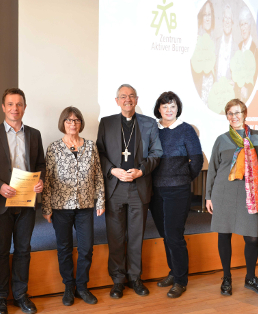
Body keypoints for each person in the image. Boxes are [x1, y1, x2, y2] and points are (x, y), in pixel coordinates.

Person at [0, 88, 45, 314]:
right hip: (1, 203)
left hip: (27, 202)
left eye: (19, 104)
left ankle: (20, 295)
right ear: (3, 107)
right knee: (1, 250)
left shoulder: (34, 134)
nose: (14, 108)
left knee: (24, 249)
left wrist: (40, 182)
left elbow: (40, 165)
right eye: (10, 104)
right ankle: (0, 297)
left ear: (24, 107)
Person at [96, 84, 162, 299]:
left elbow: (156, 152)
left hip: (138, 187)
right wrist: (113, 170)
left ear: (137, 99)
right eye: (123, 96)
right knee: (115, 236)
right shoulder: (106, 123)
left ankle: (134, 277)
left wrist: (140, 171)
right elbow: (100, 152)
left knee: (136, 236)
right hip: (115, 187)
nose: (128, 99)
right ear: (117, 100)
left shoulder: (149, 124)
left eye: (131, 96)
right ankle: (117, 280)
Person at [205, 99, 258, 297]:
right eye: (230, 113)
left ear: (245, 114)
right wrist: (208, 196)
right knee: (223, 235)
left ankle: (250, 278)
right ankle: (226, 277)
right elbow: (213, 170)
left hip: (250, 195)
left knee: (252, 238)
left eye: (238, 112)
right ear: (227, 116)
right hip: (223, 193)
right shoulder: (222, 139)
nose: (234, 116)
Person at [42, 107, 105, 306]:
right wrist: (46, 207)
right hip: (61, 206)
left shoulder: (90, 146)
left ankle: (82, 286)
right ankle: (69, 287)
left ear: (81, 123)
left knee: (86, 248)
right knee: (64, 248)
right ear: (63, 123)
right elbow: (48, 179)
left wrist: (100, 200)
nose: (72, 124)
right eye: (69, 120)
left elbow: (98, 175)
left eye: (76, 120)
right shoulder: (53, 148)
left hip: (85, 205)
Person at [150, 91, 203, 298]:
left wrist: (182, 178)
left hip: (178, 190)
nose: (169, 110)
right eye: (165, 107)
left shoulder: (186, 130)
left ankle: (181, 280)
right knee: (165, 235)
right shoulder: (153, 130)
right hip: (156, 190)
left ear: (177, 109)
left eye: (173, 106)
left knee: (174, 235)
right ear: (159, 109)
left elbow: (196, 160)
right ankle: (173, 272)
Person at [193, 0, 216, 105]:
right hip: (198, 92)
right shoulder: (194, 38)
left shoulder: (215, 39)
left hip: (213, 96)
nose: (207, 18)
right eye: (205, 15)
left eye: (209, 14)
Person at [235, 7, 258, 102]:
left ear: (249, 26)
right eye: (241, 24)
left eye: (245, 23)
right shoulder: (238, 47)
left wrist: (248, 89)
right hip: (236, 96)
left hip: (248, 99)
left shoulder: (255, 50)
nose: (243, 28)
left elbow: (256, 78)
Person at [215, 4, 237, 84]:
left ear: (232, 23)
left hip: (230, 93)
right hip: (215, 92)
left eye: (229, 19)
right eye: (225, 18)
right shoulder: (215, 44)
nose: (227, 21)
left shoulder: (237, 49)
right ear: (222, 21)